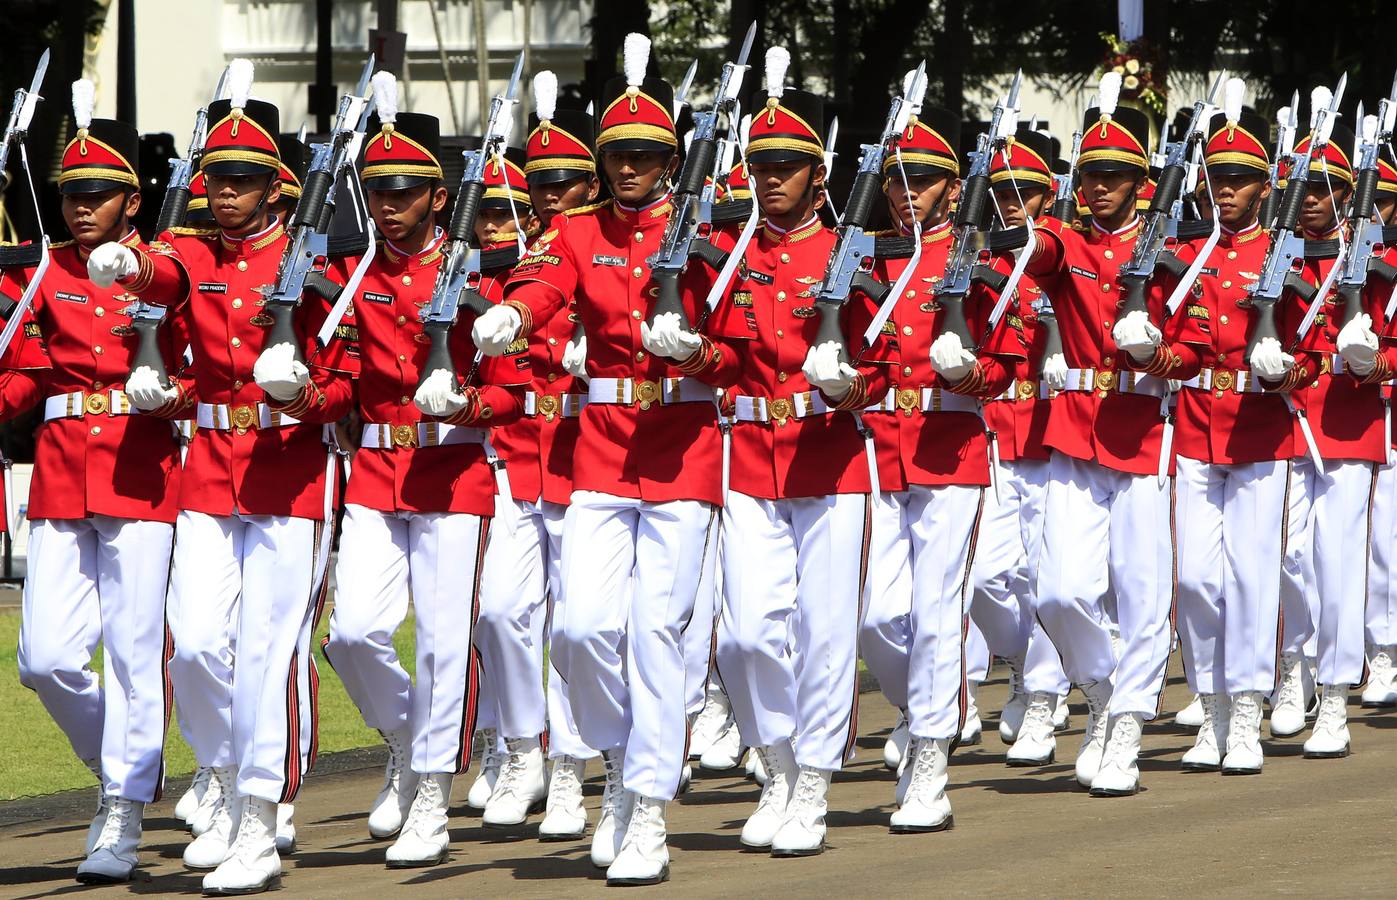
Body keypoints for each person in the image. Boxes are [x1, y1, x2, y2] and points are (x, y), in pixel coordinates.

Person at [472, 33, 733, 885]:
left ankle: (646, 803)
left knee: (655, 629)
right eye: (616, 154)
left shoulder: (702, 227)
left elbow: (742, 348)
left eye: (643, 155)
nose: (627, 168)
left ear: (669, 160)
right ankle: (619, 759)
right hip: (603, 452)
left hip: (683, 448)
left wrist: (694, 353)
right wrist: (514, 314)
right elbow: (545, 281)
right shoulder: (580, 230)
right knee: (583, 627)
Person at [86, 61, 353, 894]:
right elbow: (161, 275)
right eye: (215, 180)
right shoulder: (193, 252)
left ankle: (260, 815)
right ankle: (229, 776)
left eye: (241, 180)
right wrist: (125, 269)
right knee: (196, 644)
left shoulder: (312, 265)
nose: (224, 193)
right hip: (210, 471)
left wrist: (303, 394)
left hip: (290, 475)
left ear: (278, 187)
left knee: (271, 654)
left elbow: (347, 383)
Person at [315, 72, 527, 867]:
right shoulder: (352, 278)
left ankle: (432, 794)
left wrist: (465, 404)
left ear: (439, 198)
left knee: (444, 642)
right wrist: (306, 392)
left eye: (403, 193)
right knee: (354, 633)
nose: (387, 206)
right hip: (374, 475)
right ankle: (409, 738)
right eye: (377, 193)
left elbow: (514, 395)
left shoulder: (483, 278)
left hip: (452, 477)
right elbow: (339, 379)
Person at [705, 49, 884, 855]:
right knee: (744, 633)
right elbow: (708, 353)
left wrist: (845, 382)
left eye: (786, 167)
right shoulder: (723, 251)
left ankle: (811, 778)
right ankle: (776, 758)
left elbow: (881, 366)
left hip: (829, 457)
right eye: (759, 166)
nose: (770, 179)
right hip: (746, 453)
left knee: (824, 630)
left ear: (819, 175)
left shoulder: (853, 251)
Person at [1, 81, 179, 885]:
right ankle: (131, 768)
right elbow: (27, 375)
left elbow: (211, 369)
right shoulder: (40, 276)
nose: (82, 208)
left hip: (142, 475)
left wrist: (173, 393)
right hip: (64, 477)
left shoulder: (166, 270)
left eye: (99, 194)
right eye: (71, 194)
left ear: (132, 200)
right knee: (41, 658)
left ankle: (122, 806)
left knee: (137, 654)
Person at [861, 101, 1025, 831]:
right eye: (896, 180)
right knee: (873, 618)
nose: (906, 192)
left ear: (951, 189)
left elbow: (1007, 370)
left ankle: (929, 759)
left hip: (948, 450)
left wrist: (966, 374)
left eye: (921, 180)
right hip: (873, 450)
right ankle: (929, 705)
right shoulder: (863, 257)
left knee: (934, 615)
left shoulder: (980, 264)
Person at [1147, 88, 1315, 775]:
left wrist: (1284, 369)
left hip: (1256, 432)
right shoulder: (1188, 254)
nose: (1226, 191)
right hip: (1193, 427)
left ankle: (1242, 711)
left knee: (1250, 578)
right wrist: (1149, 354)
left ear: (1263, 185)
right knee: (1191, 581)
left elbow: (1310, 351)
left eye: (1239, 179)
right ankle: (1210, 707)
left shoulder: (1287, 254)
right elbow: (1182, 350)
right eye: (1216, 178)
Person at [1024, 77, 1184, 796]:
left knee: (1143, 593)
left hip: (1145, 432)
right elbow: (1034, 253)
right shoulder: (1066, 238)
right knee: (1057, 592)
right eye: (1089, 175)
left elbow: (1200, 347)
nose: (1099, 188)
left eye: (1114, 176)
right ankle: (1099, 686)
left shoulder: (1175, 250)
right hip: (1074, 433)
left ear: (1140, 183)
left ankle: (1124, 724)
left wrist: (1155, 352)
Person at [476, 71, 602, 841]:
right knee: (499, 611)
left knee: (576, 624)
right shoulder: (515, 262)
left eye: (565, 183)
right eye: (540, 184)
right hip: (518, 455)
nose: (551, 196)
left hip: (590, 455)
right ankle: (523, 745)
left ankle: (571, 767)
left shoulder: (600, 250)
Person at [972, 127, 1073, 766]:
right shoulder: (978, 258)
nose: (1013, 204)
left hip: (1046, 433)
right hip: (988, 430)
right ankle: (1020, 659)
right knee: (984, 576)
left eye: (1026, 193)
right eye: (1004, 194)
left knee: (1041, 573)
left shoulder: (1056, 257)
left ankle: (1042, 695)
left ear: (1047, 195)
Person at [1291, 112, 1388, 758]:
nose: (1308, 202)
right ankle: (1285, 673)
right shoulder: (1266, 251)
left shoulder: (1374, 259)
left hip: (1347, 421)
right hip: (1275, 420)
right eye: (1297, 190)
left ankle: (1331, 695)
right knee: (1283, 560)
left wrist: (1373, 359)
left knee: (1335, 561)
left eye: (1321, 190)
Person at [1358, 148, 1397, 709]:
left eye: (1385, 204)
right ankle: (1380, 652)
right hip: (1363, 412)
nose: (1376, 214)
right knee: (1373, 542)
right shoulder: (1355, 254)